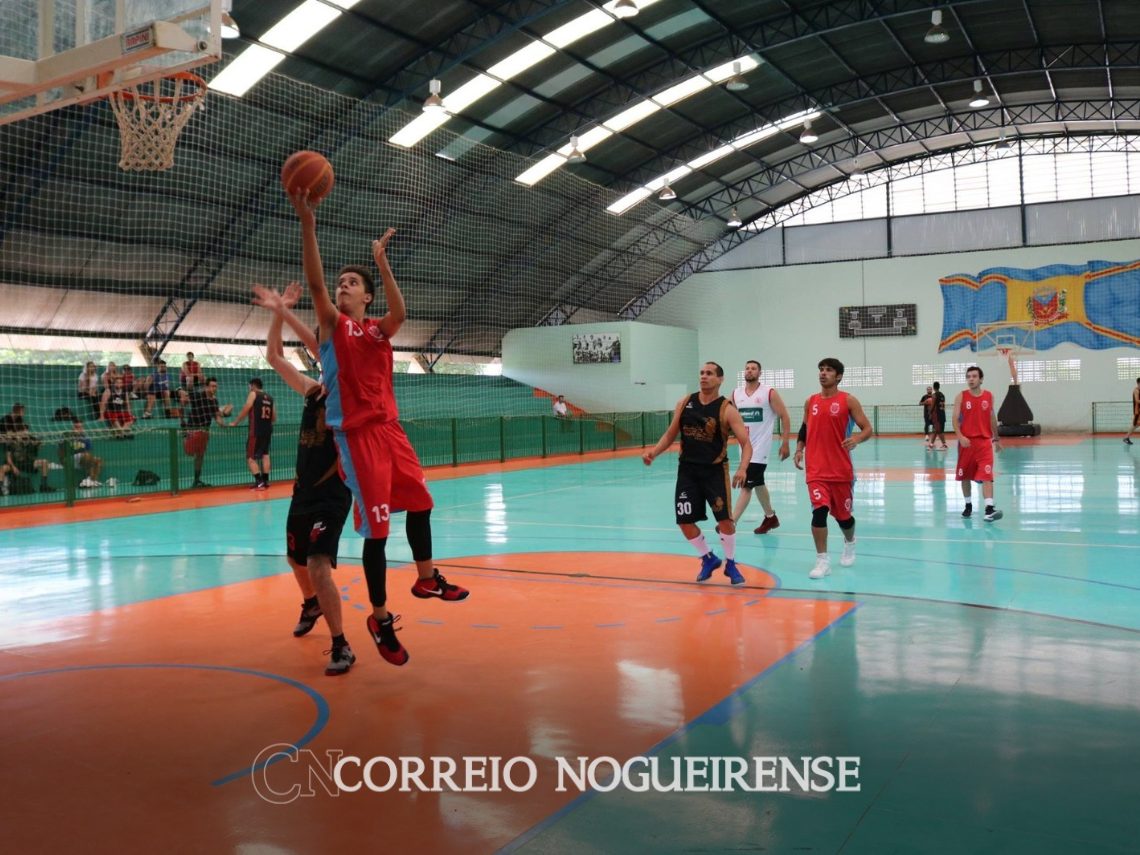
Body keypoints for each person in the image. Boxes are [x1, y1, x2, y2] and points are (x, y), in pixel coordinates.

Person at [286, 188, 469, 669]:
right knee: (378, 533)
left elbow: (400, 314)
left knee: (422, 502)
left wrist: (381, 263)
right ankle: (380, 618)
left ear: (367, 296)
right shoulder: (333, 327)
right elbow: (316, 284)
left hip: (391, 430)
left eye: (352, 283)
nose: (343, 286)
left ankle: (426, 578)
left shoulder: (375, 330)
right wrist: (308, 223)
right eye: (341, 283)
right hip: (358, 439)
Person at [254, 282, 356, 676]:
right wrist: (277, 314)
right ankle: (311, 604)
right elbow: (274, 357)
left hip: (333, 494)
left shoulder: (349, 398)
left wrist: (286, 311)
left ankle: (341, 644)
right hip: (302, 494)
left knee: (316, 563)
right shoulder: (312, 391)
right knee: (295, 559)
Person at [642, 362, 753, 586]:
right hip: (687, 471)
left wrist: (742, 468)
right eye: (702, 373)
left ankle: (731, 563)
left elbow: (746, 443)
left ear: (720, 379)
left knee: (725, 520)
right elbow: (670, 434)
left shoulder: (727, 409)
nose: (704, 376)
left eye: (709, 373)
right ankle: (708, 558)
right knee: (684, 522)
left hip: (714, 471)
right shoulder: (685, 403)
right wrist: (654, 452)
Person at [792, 358, 873, 580]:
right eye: (821, 369)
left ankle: (850, 541)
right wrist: (799, 449)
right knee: (819, 512)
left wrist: (857, 438)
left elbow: (867, 428)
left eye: (828, 370)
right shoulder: (811, 401)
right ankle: (822, 560)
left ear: (838, 376)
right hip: (816, 470)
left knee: (843, 518)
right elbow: (804, 428)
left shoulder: (848, 400)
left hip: (841, 470)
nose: (823, 373)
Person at [731, 360, 792, 534]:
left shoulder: (768, 392)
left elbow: (785, 416)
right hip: (744, 448)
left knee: (746, 485)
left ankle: (731, 523)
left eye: (753, 368)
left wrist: (785, 442)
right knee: (758, 483)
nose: (749, 371)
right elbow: (730, 418)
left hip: (760, 449)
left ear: (760, 373)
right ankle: (770, 517)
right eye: (747, 368)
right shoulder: (736, 394)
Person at [951, 365, 1003, 521]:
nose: (971, 379)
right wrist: (960, 436)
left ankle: (989, 509)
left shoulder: (989, 396)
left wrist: (996, 439)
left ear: (981, 379)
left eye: (974, 376)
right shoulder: (961, 396)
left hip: (984, 443)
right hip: (966, 443)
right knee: (965, 476)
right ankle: (968, 505)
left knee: (987, 475)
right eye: (968, 377)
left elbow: (992, 418)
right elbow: (954, 419)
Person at [179, 377, 229, 488]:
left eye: (215, 386)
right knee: (190, 453)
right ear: (206, 387)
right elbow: (184, 400)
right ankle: (185, 437)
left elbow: (217, 417)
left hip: (205, 431)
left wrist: (224, 423)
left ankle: (196, 480)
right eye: (212, 386)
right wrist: (182, 422)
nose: (214, 388)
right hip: (193, 429)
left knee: (200, 456)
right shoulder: (198, 396)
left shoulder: (214, 401)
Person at [230, 378, 276, 490]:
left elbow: (247, 407)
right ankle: (265, 481)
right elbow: (274, 417)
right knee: (265, 455)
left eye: (249, 386)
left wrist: (235, 422)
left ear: (253, 386)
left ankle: (259, 482)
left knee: (250, 457)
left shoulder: (253, 393)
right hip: (267, 429)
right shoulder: (270, 398)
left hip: (256, 430)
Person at [1, 403, 57, 494]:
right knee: (2, 469)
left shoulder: (27, 440)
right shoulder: (10, 440)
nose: (26, 432)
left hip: (25, 462)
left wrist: (36, 444)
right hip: (14, 463)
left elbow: (34, 449)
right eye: (24, 430)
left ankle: (44, 486)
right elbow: (8, 457)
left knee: (44, 462)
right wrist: (13, 467)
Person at [61, 418, 103, 488]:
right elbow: (61, 450)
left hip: (82, 460)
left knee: (98, 461)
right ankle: (88, 481)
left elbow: (88, 452)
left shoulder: (86, 438)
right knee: (87, 456)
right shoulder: (67, 436)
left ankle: (91, 481)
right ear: (72, 427)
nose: (78, 429)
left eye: (80, 427)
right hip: (70, 459)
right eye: (76, 427)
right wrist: (63, 461)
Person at [930, 381, 948, 449]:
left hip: (937, 415)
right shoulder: (942, 395)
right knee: (935, 430)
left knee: (938, 430)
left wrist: (930, 413)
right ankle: (931, 444)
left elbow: (932, 405)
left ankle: (944, 444)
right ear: (939, 387)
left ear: (933, 387)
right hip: (942, 413)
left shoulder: (934, 395)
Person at [1125, 377, 1140, 445]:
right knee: (1135, 424)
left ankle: (1126, 437)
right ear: (1138, 383)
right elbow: (1137, 400)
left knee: (1136, 425)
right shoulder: (1136, 390)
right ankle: (1126, 437)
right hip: (1137, 411)